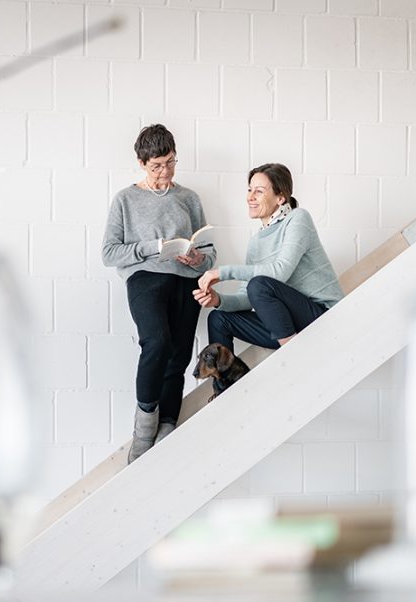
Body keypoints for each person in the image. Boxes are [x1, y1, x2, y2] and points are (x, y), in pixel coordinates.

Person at [102, 124, 216, 463]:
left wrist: (197, 257)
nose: (164, 172)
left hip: (185, 280)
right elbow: (109, 253)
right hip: (146, 280)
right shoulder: (125, 199)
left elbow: (209, 253)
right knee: (157, 343)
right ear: (141, 163)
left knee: (179, 357)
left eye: (170, 163)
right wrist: (154, 247)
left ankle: (167, 427)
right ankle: (144, 426)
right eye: (156, 166)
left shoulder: (189, 198)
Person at [193, 162, 342, 369]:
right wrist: (218, 300)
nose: (250, 197)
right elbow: (247, 297)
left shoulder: (298, 219)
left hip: (320, 316)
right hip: (287, 324)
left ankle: (295, 357)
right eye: (249, 190)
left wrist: (223, 272)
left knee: (260, 284)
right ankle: (224, 390)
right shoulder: (256, 242)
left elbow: (279, 272)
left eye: (259, 191)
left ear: (280, 198)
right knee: (218, 318)